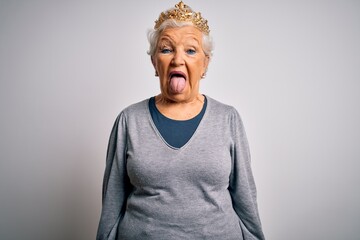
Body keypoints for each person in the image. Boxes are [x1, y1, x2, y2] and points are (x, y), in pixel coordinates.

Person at [96, 1, 265, 239]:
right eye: (166, 49)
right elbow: (111, 205)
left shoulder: (228, 119)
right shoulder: (128, 121)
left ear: (205, 64)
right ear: (155, 62)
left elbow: (246, 200)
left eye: (191, 50)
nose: (177, 59)